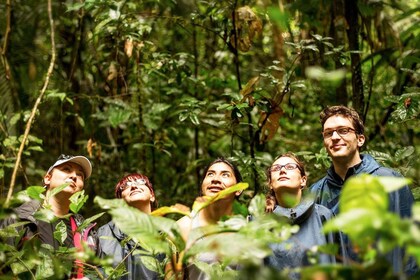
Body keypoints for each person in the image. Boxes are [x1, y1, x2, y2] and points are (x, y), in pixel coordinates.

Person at [310, 105, 417, 275]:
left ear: (360, 139)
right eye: (328, 133)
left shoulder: (389, 180)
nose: (335, 137)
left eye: (343, 130)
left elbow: (412, 242)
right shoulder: (315, 192)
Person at [0, 154, 96, 279]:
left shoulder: (86, 231)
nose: (74, 176)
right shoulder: (20, 219)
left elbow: (98, 271)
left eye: (80, 175)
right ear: (47, 179)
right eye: (66, 169)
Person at [264, 152, 346, 279]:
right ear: (270, 184)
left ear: (303, 180)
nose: (282, 170)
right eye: (276, 168)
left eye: (290, 167)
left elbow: (341, 266)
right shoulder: (260, 223)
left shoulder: (323, 216)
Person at [176, 158, 243, 280]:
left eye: (225, 175)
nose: (215, 179)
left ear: (239, 189)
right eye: (210, 174)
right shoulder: (183, 227)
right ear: (202, 185)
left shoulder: (249, 226)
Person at [96, 173, 162, 280]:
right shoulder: (104, 233)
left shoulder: (167, 234)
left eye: (141, 182)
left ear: (152, 196)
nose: (134, 186)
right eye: (126, 186)